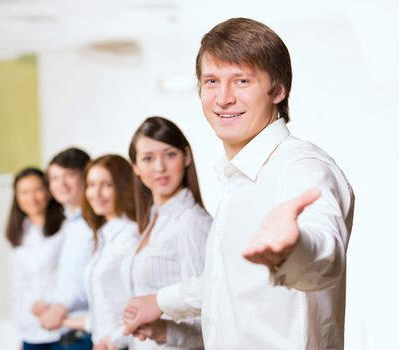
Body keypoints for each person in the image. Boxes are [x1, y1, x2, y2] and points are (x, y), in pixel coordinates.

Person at [123, 18, 355, 350]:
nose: (223, 98)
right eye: (212, 81)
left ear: (277, 90)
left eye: (241, 81)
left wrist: (294, 248)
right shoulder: (236, 178)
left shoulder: (301, 166)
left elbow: (324, 254)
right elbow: (223, 282)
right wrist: (160, 302)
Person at [125, 116, 212, 350]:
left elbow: (211, 323)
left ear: (186, 156)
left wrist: (162, 330)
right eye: (148, 158)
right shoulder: (153, 220)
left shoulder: (192, 222)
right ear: (135, 167)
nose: (159, 167)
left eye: (170, 154)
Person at [62, 154, 140, 350]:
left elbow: (140, 307)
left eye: (106, 185)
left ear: (123, 186)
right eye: (91, 184)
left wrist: (114, 340)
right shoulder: (104, 234)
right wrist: (66, 321)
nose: (95, 193)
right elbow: (107, 308)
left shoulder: (129, 237)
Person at [34, 147, 94, 349]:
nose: (61, 184)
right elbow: (70, 276)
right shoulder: (71, 222)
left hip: (87, 333)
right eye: (54, 177)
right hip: (68, 333)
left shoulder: (94, 223)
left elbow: (89, 277)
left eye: (69, 175)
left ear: (86, 176)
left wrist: (61, 307)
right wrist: (49, 301)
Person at [6, 167, 65, 349]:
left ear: (48, 192)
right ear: (16, 197)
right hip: (29, 330)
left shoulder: (66, 227)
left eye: (37, 190)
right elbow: (18, 286)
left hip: (63, 327)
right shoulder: (18, 232)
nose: (31, 198)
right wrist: (20, 335)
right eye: (24, 192)